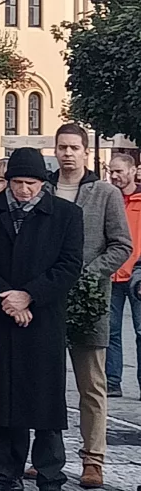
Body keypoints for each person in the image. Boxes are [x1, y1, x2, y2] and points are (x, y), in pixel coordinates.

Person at [0, 146, 83, 491]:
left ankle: (50, 481)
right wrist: (7, 299)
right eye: (17, 183)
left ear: (42, 184)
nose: (24, 191)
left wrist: (29, 296)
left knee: (44, 404)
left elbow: (68, 265)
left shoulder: (65, 214)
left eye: (31, 184)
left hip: (41, 320)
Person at [47, 123, 131, 490]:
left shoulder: (105, 193)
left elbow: (122, 245)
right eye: (62, 147)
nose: (67, 153)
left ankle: (93, 458)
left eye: (74, 148)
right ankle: (47, 455)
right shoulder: (43, 189)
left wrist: (88, 274)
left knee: (91, 384)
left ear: (85, 152)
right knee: (46, 380)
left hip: (89, 299)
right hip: (46, 296)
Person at [108, 150, 141, 399]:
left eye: (119, 171)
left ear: (133, 171)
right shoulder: (109, 199)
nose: (115, 176)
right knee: (110, 330)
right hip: (112, 272)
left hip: (138, 272)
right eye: (111, 171)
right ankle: (112, 382)